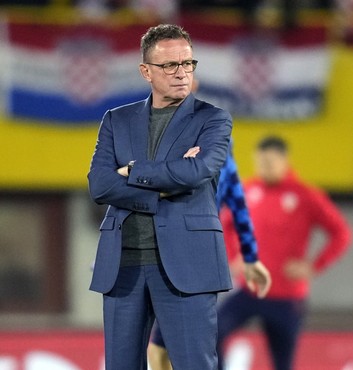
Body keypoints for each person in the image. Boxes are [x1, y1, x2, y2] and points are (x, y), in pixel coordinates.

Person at [87, 24, 270, 370]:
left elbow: (195, 172)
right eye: (170, 65)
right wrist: (161, 188)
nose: (182, 73)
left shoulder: (214, 119)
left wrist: (132, 171)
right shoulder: (116, 120)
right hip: (122, 267)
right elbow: (99, 186)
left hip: (189, 266)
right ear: (146, 72)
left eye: (188, 63)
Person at [217, 136, 352, 370]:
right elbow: (225, 223)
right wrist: (232, 256)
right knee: (213, 333)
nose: (264, 168)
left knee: (282, 363)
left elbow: (341, 233)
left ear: (284, 161)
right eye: (260, 162)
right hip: (250, 290)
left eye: (269, 162)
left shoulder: (305, 196)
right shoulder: (247, 191)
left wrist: (314, 266)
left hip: (286, 295)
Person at [147, 142, 271, 370]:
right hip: (197, 264)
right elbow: (241, 214)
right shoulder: (223, 167)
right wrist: (250, 258)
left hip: (183, 264)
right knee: (171, 346)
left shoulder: (184, 167)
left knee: (165, 348)